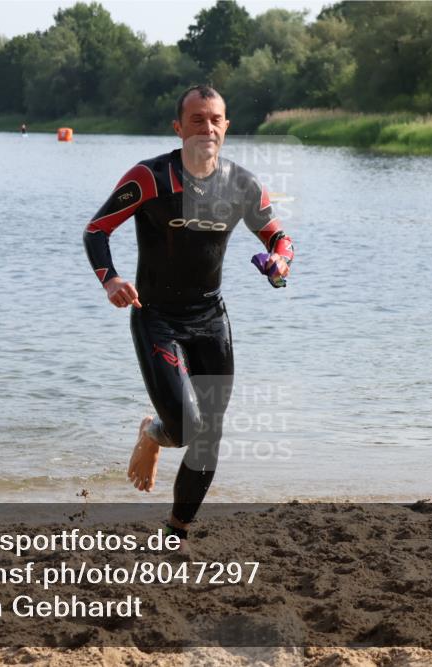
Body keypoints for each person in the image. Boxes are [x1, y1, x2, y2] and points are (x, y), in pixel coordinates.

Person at [83, 84, 295, 547]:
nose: (207, 127)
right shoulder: (150, 177)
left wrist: (280, 261)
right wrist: (112, 280)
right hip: (155, 316)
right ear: (178, 127)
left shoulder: (242, 184)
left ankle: (174, 533)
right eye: (197, 119)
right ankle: (153, 433)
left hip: (210, 319)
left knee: (209, 435)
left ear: (227, 126)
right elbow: (97, 231)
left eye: (215, 119)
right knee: (183, 426)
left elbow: (279, 238)